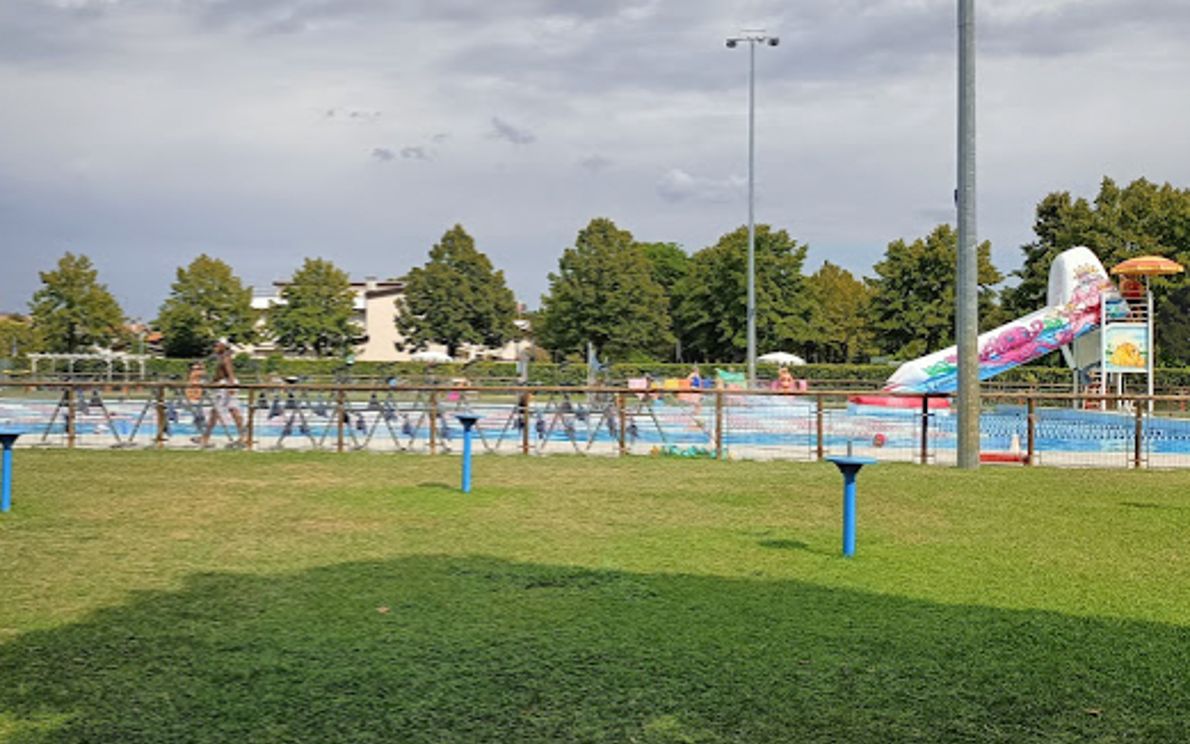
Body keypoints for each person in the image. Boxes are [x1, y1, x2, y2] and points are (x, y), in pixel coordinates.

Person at [197, 339, 245, 448]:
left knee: (218, 411)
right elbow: (220, 374)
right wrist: (212, 382)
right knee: (229, 410)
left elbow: (230, 373)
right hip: (225, 384)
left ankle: (206, 438)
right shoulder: (223, 358)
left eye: (217, 345)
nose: (214, 348)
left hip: (226, 385)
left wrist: (231, 386)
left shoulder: (225, 359)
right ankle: (243, 436)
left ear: (223, 346)